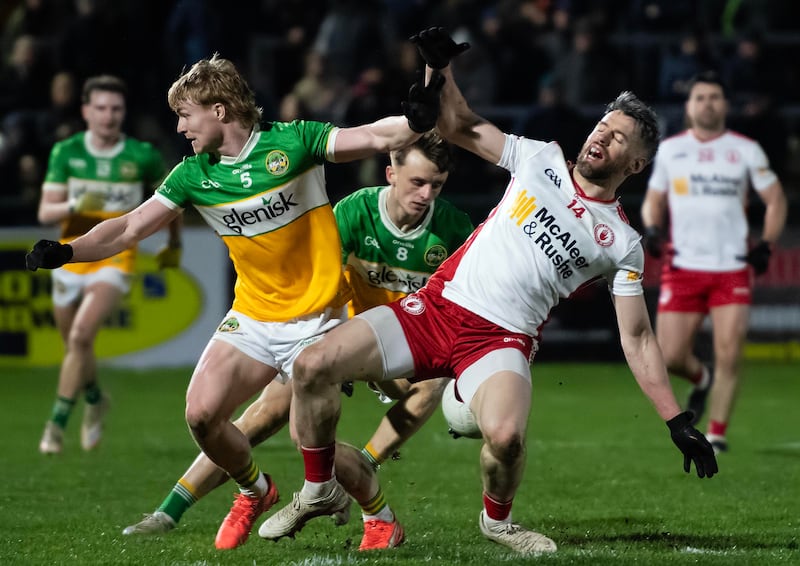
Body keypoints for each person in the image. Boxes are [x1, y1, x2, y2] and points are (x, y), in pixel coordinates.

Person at [259, 27, 718, 557]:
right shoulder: (538, 159)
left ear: (635, 165)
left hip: (500, 341)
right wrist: (437, 68)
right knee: (313, 366)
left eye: (619, 138)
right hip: (434, 310)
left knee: (506, 438)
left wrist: (676, 419)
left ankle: (497, 521)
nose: (602, 136)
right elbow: (458, 123)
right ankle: (319, 489)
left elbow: (637, 338)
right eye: (603, 125)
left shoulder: (623, 244)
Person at [25, 53, 443, 551]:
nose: (179, 127)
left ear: (219, 110)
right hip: (253, 315)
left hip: (319, 319)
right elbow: (130, 226)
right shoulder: (192, 175)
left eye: (186, 114)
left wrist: (413, 121)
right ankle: (256, 489)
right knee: (201, 414)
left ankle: (378, 515)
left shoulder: (295, 142)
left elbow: (372, 136)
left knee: (306, 440)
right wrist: (69, 251)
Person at [119, 131, 474, 550]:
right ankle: (171, 510)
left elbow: (467, 300)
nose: (426, 194)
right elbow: (317, 273)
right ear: (391, 174)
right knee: (266, 415)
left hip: (401, 342)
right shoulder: (357, 212)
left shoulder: (452, 229)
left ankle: (366, 468)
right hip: (342, 332)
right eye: (418, 182)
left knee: (430, 386)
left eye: (436, 185)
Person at [640, 70, 787, 454]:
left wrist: (767, 243)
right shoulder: (672, 150)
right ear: (689, 106)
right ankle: (700, 378)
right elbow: (654, 198)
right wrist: (653, 228)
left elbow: (775, 199)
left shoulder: (745, 149)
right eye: (700, 97)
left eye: (715, 97)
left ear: (725, 104)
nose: (708, 103)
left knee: (730, 352)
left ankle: (718, 434)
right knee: (669, 356)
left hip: (731, 267)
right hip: (684, 265)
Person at [35, 74, 182, 456]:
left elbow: (173, 200)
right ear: (86, 111)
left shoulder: (142, 156)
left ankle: (55, 425)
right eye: (100, 108)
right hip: (70, 253)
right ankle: (97, 399)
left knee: (82, 336)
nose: (108, 116)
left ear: (124, 112)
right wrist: (78, 202)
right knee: (74, 347)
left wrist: (174, 243)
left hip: (116, 255)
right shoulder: (66, 152)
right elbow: (45, 209)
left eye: (115, 108)